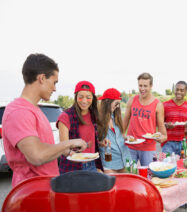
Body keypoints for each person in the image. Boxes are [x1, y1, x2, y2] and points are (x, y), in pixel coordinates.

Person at [2, 53, 87, 187]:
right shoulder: (19, 111)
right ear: (42, 78)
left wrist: (65, 151)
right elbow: (37, 155)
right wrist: (69, 143)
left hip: (44, 189)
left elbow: (44, 148)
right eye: (54, 82)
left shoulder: (34, 109)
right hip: (31, 193)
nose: (55, 88)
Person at [57, 80, 103, 174]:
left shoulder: (94, 115)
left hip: (91, 165)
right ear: (76, 97)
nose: (84, 101)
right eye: (81, 97)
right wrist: (72, 154)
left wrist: (102, 142)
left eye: (88, 97)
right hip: (71, 168)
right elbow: (63, 147)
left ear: (93, 99)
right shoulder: (66, 116)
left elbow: (91, 142)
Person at [123, 72, 167, 166]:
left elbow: (163, 132)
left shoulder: (158, 104)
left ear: (151, 86)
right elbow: (125, 120)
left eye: (145, 86)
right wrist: (122, 135)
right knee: (130, 174)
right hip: (131, 147)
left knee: (148, 176)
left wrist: (161, 138)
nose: (142, 89)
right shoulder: (132, 100)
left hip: (148, 148)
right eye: (140, 85)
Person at [97, 88, 131, 174]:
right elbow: (94, 141)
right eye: (116, 104)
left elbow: (121, 135)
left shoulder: (116, 117)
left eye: (118, 104)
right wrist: (100, 142)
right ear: (108, 102)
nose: (118, 106)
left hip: (125, 160)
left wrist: (126, 138)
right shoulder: (97, 119)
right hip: (109, 162)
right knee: (112, 186)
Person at [162, 81, 187, 155]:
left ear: (185, 91)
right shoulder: (165, 105)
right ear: (174, 90)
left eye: (181, 90)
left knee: (184, 165)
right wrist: (166, 125)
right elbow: (158, 123)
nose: (179, 92)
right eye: (177, 89)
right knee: (167, 166)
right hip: (168, 143)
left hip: (184, 143)